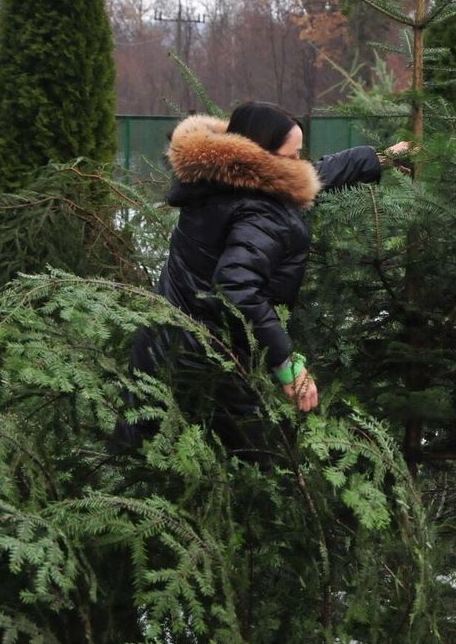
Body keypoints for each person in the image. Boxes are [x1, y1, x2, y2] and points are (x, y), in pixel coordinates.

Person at [115, 101, 410, 454]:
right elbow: (237, 287)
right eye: (292, 155)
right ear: (262, 157)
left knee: (138, 451)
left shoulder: (217, 177)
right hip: (209, 361)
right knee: (264, 460)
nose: (299, 163)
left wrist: (380, 158)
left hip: (160, 341)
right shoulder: (260, 212)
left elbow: (308, 174)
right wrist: (287, 366)